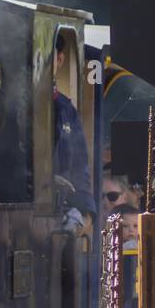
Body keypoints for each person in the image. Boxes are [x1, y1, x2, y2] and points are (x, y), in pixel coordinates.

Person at [53, 32, 96, 232]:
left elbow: (79, 165)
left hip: (61, 209)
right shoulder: (4, 104)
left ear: (60, 59)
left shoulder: (66, 108)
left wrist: (84, 211)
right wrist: (45, 180)